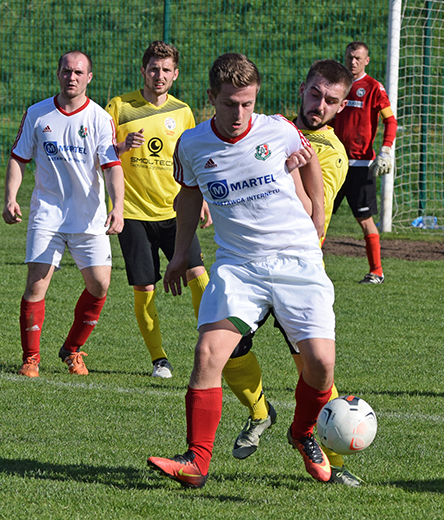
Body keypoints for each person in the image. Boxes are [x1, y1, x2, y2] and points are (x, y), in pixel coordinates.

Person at [147, 53, 336, 489]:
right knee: (208, 353)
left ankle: (302, 432)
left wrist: (319, 215)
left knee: (321, 365)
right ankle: (196, 462)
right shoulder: (192, 144)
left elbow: (307, 159)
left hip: (296, 259)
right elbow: (190, 197)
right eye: (230, 103)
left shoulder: (279, 130)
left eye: (247, 104)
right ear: (211, 97)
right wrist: (179, 255)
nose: (239, 114)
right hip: (238, 266)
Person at [221, 60, 362, 486]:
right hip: (248, 265)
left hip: (295, 271)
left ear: (341, 107)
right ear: (302, 89)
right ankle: (260, 413)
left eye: (331, 101)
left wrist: (289, 174)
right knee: (224, 349)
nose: (320, 105)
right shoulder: (272, 128)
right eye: (315, 94)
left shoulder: (329, 153)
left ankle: (333, 464)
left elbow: (309, 216)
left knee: (316, 371)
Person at [3, 51, 124, 378]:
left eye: (79, 72)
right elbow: (18, 158)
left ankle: (72, 349)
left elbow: (112, 167)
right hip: (48, 215)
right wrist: (10, 197)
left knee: (100, 285)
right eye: (67, 71)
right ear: (58, 73)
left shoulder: (100, 118)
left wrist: (119, 207)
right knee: (36, 285)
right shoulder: (37, 114)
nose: (72, 77)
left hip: (89, 218)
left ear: (89, 77)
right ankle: (31, 359)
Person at [105, 41, 210, 379]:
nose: (159, 76)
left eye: (166, 70)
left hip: (175, 212)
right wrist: (122, 146)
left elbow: (192, 159)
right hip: (133, 213)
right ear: (143, 70)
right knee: (145, 288)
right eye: (154, 69)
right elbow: (100, 153)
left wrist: (202, 197)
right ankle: (159, 360)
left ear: (176, 74)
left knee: (199, 276)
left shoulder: (183, 112)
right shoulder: (119, 107)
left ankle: (217, 344)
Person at [332, 41, 397, 284]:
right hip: (333, 163)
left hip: (360, 166)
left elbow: (391, 121)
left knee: (365, 218)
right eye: (350, 56)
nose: (353, 61)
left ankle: (376, 271)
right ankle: (310, 269)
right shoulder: (337, 86)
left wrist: (386, 149)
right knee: (319, 216)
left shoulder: (373, 87)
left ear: (367, 60)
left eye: (358, 57)